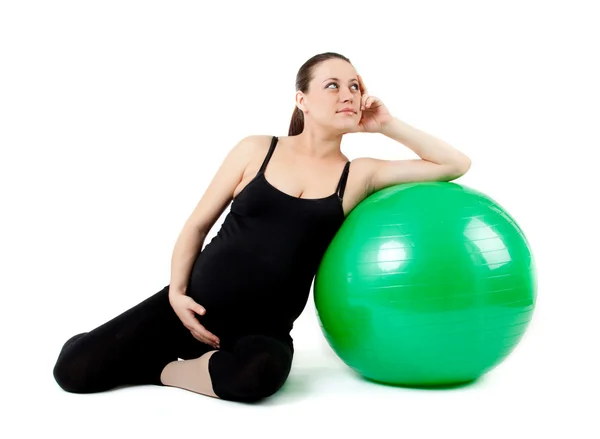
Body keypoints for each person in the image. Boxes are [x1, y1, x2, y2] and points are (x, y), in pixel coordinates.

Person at [52, 52, 471, 402]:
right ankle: (116, 343)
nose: (348, 94)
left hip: (262, 331)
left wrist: (388, 125)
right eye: (333, 85)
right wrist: (177, 295)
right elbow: (197, 225)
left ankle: (165, 371)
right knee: (73, 371)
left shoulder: (358, 175)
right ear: (301, 99)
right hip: (190, 307)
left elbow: (454, 164)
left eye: (354, 86)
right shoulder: (257, 149)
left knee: (258, 377)